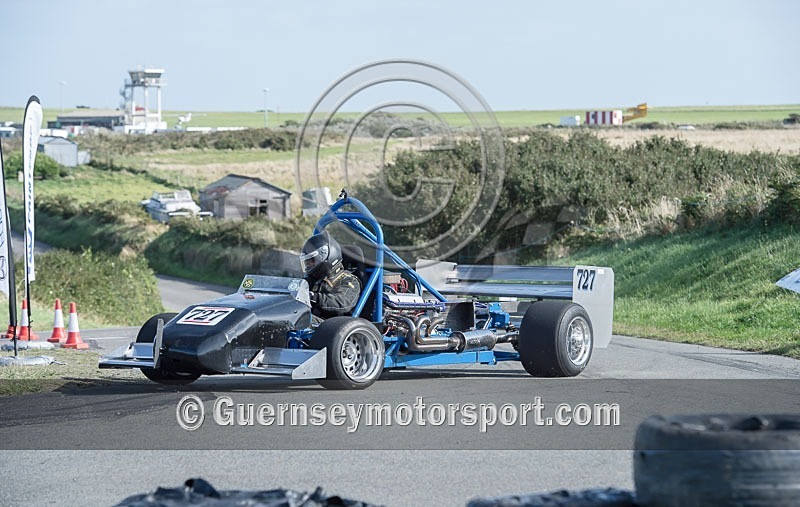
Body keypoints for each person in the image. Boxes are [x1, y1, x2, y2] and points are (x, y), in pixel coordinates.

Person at [300, 231, 361, 322]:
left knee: (299, 320)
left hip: (335, 325)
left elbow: (342, 302)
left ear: (327, 257)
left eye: (312, 260)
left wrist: (313, 297)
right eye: (306, 262)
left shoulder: (348, 280)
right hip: (314, 322)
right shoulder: (313, 280)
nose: (308, 265)